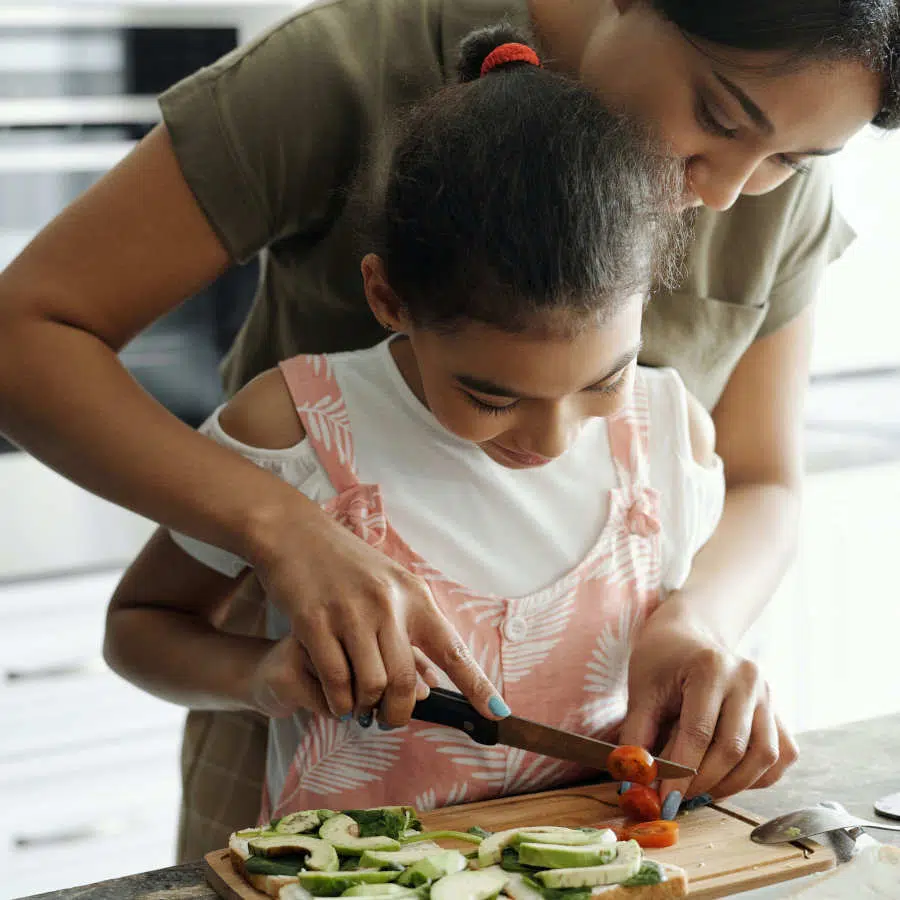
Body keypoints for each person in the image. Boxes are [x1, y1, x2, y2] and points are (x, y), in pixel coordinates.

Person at [0, 0, 896, 861]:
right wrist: (280, 531)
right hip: (311, 756)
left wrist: (700, 621)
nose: (730, 193)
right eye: (717, 115)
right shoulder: (344, 68)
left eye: (794, 159)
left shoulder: (745, 230)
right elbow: (24, 338)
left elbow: (761, 479)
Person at [104, 26, 729, 824]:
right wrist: (260, 677)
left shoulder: (669, 434)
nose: (551, 440)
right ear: (388, 298)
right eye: (493, 398)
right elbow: (140, 628)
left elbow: (689, 642)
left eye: (604, 381)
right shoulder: (297, 428)